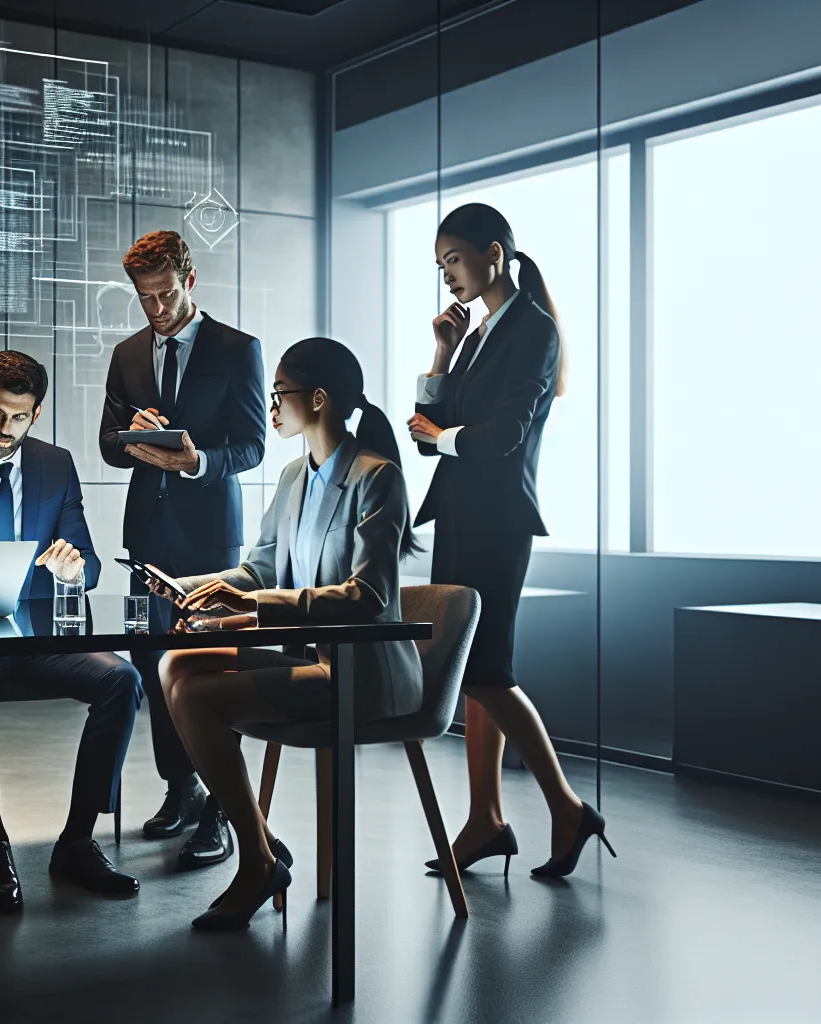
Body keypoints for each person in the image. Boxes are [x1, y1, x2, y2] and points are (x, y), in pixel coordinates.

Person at [154, 336, 423, 930]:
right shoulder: (293, 476)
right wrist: (186, 584)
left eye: (280, 394)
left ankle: (256, 859)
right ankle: (262, 843)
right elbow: (258, 569)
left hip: (365, 674)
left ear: (319, 400)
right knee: (175, 665)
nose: (271, 407)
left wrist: (249, 601)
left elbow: (367, 595)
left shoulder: (377, 479)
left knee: (197, 694)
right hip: (314, 663)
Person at [406, 202, 614, 878]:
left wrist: (441, 437)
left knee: (487, 669)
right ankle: (487, 819)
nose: (447, 277)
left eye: (454, 261)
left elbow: (500, 438)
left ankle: (565, 806)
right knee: (473, 673)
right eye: (440, 266)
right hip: (463, 516)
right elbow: (427, 430)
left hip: (497, 522)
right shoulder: (479, 332)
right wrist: (441, 350)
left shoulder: (533, 329)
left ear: (494, 253)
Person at [0, 350, 142, 913]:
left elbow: (89, 561)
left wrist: (74, 568)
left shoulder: (55, 465)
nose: (3, 429)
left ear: (35, 415)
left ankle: (78, 840)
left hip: (37, 639)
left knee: (123, 679)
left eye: (18, 417)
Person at [99, 229, 266, 868]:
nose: (157, 309)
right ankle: (182, 787)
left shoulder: (237, 349)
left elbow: (252, 445)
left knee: (211, 668)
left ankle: (222, 812)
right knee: (151, 665)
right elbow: (110, 442)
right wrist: (130, 436)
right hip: (147, 535)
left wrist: (197, 462)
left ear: (189, 282)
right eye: (145, 298)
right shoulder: (128, 353)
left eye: (166, 295)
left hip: (210, 539)